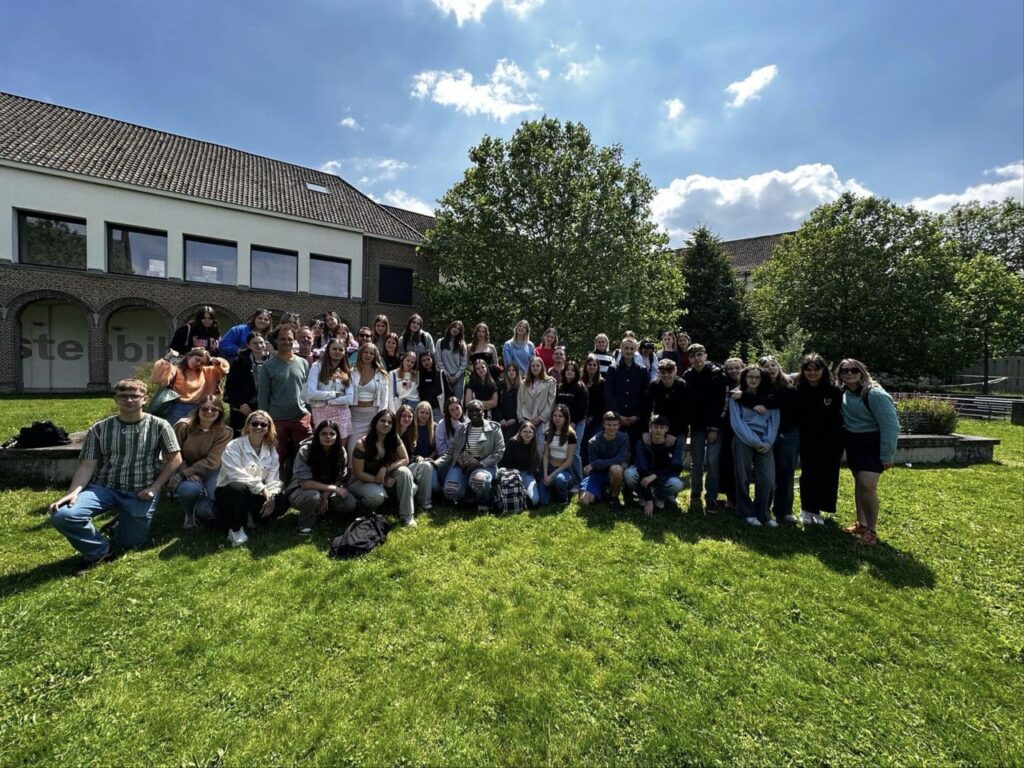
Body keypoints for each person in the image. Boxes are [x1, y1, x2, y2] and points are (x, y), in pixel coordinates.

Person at [49, 379, 182, 574]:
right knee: (63, 515)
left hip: (141, 490)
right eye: (123, 396)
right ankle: (99, 551)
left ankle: (120, 524)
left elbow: (175, 459)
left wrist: (155, 488)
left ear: (144, 399)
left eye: (134, 396)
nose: (129, 400)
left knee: (131, 543)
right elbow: (87, 465)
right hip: (105, 487)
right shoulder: (100, 428)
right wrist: (73, 492)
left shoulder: (159, 425)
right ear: (116, 399)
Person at [838, 358, 900, 546]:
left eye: (854, 370)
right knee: (860, 483)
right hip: (854, 443)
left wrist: (887, 455)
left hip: (872, 443)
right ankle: (861, 524)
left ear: (862, 372)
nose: (849, 373)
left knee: (867, 486)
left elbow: (891, 426)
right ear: (839, 374)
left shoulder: (874, 394)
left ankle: (871, 531)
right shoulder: (844, 393)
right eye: (845, 370)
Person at [215, 410, 288, 545]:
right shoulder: (234, 446)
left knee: (282, 498)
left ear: (268, 428)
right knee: (237, 488)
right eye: (254, 424)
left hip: (256, 493)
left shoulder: (271, 450)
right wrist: (262, 489)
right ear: (247, 426)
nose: (259, 427)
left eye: (263, 424)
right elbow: (235, 473)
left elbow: (273, 478)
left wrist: (270, 496)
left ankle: (253, 519)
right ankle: (235, 528)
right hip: (231, 493)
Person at [793, 354, 844, 526]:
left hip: (830, 440)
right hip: (807, 439)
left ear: (823, 370)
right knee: (809, 474)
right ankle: (806, 509)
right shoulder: (797, 389)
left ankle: (818, 510)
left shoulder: (834, 391)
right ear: (803, 371)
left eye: (816, 369)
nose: (812, 372)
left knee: (828, 475)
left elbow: (838, 417)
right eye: (808, 369)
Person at [168, 394, 232, 529]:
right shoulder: (183, 427)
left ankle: (202, 511)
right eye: (205, 409)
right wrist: (184, 472)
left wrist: (188, 472)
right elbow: (174, 453)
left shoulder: (225, 432)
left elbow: (213, 461)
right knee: (189, 490)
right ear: (198, 410)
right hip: (183, 468)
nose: (209, 412)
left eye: (214, 409)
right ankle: (189, 513)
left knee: (214, 496)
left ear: (220, 412)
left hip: (210, 471)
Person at [258, 327, 311, 483]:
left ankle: (298, 484)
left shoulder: (303, 363)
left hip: (300, 416)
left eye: (289, 338)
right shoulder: (268, 366)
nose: (286, 342)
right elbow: (263, 396)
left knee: (303, 454)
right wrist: (264, 420)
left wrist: (308, 413)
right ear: (276, 341)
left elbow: (307, 392)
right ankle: (276, 487)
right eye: (282, 339)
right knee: (276, 456)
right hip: (277, 419)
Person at [729, 366, 781, 527]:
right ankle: (746, 512)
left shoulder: (770, 398)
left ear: (762, 379)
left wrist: (767, 442)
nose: (753, 380)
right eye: (750, 377)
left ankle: (763, 513)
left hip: (766, 442)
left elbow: (774, 422)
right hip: (743, 440)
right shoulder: (736, 397)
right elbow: (737, 423)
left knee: (767, 480)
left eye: (757, 377)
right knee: (742, 477)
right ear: (744, 378)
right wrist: (755, 442)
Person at [432, 399, 506, 512]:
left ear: (483, 412)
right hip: (463, 464)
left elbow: (499, 452)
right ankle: (468, 498)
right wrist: (437, 463)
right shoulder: (461, 428)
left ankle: (484, 502)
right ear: (467, 413)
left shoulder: (494, 428)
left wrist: (479, 464)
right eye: (471, 411)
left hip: (485, 466)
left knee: (479, 480)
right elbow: (451, 451)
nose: (474, 414)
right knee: (450, 490)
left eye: (477, 410)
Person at [286, 420, 357, 535]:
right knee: (313, 497)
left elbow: (339, 478)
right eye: (323, 433)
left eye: (332, 434)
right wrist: (332, 489)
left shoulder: (340, 451)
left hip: (327, 490)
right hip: (302, 490)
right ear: (317, 435)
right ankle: (306, 525)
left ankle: (324, 514)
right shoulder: (305, 450)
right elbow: (305, 483)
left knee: (349, 502)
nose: (328, 437)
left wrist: (326, 494)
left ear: (337, 436)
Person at [349, 410, 417, 526]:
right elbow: (358, 473)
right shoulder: (362, 443)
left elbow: (405, 459)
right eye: (383, 421)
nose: (386, 424)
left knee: (405, 473)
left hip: (384, 477)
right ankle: (361, 510)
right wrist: (381, 481)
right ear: (375, 422)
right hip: (362, 481)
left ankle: (407, 517)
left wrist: (386, 467)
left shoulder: (394, 438)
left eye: (390, 422)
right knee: (377, 496)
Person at [682, 343, 727, 513]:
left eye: (699, 354)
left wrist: (714, 428)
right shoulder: (687, 375)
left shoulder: (717, 374)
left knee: (713, 462)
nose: (696, 358)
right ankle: (695, 494)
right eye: (693, 356)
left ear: (705, 355)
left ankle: (711, 497)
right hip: (697, 426)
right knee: (697, 462)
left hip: (715, 427)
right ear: (689, 359)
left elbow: (723, 402)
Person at [625, 414, 685, 517]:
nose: (658, 430)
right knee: (629, 473)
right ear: (650, 427)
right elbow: (642, 468)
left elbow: (676, 467)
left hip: (661, 476)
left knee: (677, 484)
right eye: (655, 427)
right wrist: (648, 500)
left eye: (662, 428)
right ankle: (643, 496)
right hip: (645, 475)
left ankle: (659, 497)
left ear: (667, 429)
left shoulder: (675, 443)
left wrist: (655, 475)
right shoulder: (642, 442)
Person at [152, 346, 230, 425]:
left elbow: (223, 370)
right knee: (175, 433)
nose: (199, 363)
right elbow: (158, 379)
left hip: (198, 409)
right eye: (197, 359)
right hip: (177, 408)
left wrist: (217, 361)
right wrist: (167, 358)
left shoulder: (205, 372)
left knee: (193, 435)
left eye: (202, 363)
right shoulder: (176, 370)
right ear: (189, 356)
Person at [348, 342, 392, 460]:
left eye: (371, 353)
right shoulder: (352, 372)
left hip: (373, 416)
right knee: (353, 448)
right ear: (361, 354)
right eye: (365, 352)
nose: (368, 355)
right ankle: (352, 475)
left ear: (375, 356)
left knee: (371, 448)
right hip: (354, 416)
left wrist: (381, 419)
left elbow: (385, 399)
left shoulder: (382, 375)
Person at [578, 411, 630, 510]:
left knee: (617, 469)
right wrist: (594, 465)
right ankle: (601, 491)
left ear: (619, 425)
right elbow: (595, 467)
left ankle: (614, 497)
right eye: (608, 425)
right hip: (597, 474)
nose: (612, 428)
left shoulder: (623, 438)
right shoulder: (593, 442)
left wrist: (595, 464)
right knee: (584, 502)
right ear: (603, 425)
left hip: (612, 473)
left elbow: (619, 459)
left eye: (615, 425)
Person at [604, 336, 648, 446]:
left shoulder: (642, 370)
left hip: (636, 418)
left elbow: (645, 395)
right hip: (617, 419)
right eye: (626, 348)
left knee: (635, 451)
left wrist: (637, 415)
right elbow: (608, 393)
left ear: (636, 350)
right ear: (621, 349)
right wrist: (617, 415)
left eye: (632, 349)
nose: (629, 351)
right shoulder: (613, 369)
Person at [306, 339, 353, 439]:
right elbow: (311, 393)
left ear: (345, 352)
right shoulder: (317, 366)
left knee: (340, 447)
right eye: (334, 349)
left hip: (342, 413)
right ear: (328, 350)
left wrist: (329, 401)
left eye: (341, 350)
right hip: (320, 412)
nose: (337, 352)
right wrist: (334, 394)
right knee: (323, 445)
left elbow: (349, 398)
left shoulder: (346, 371)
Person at [223, 332, 269, 434]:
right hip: (241, 408)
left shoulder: (271, 362)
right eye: (255, 343)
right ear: (248, 345)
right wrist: (241, 405)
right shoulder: (239, 362)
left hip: (264, 406)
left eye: (261, 343)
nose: (259, 346)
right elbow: (231, 386)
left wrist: (252, 405)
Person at [718, 357, 745, 513]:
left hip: (747, 430)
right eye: (731, 368)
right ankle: (731, 497)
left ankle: (742, 497)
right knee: (728, 463)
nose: (734, 371)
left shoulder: (750, 382)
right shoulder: (724, 384)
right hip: (727, 429)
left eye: (737, 367)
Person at [501, 420, 543, 507]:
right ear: (520, 432)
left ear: (534, 434)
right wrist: (516, 473)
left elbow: (536, 466)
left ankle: (525, 497)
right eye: (525, 431)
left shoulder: (534, 446)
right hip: (512, 473)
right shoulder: (512, 442)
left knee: (535, 500)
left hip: (527, 474)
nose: (527, 434)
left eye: (530, 432)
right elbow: (506, 461)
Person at [542, 404, 579, 503]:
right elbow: (545, 456)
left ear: (566, 418)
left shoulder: (571, 435)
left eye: (560, 416)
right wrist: (545, 475)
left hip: (564, 470)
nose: (557, 418)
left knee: (559, 480)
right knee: (543, 501)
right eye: (555, 415)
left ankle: (563, 497)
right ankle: (552, 491)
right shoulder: (548, 433)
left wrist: (551, 476)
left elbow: (570, 460)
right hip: (549, 467)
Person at [645, 359, 689, 440]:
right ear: (659, 373)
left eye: (669, 372)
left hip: (678, 428)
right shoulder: (654, 385)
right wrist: (645, 430)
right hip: (660, 426)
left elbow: (685, 412)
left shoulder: (682, 386)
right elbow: (646, 408)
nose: (666, 375)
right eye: (663, 373)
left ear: (675, 372)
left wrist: (673, 433)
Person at [518, 356, 557, 448]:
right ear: (530, 368)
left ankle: (540, 463)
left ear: (542, 367)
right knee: (524, 447)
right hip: (526, 418)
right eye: (533, 366)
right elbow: (519, 401)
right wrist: (521, 419)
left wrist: (541, 418)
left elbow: (551, 402)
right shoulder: (524, 383)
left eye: (537, 366)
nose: (535, 368)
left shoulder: (550, 382)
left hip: (541, 419)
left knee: (540, 448)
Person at [406, 402, 438, 511]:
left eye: (427, 413)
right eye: (421, 412)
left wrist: (429, 457)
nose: (424, 416)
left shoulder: (434, 427)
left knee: (434, 486)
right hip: (414, 462)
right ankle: (424, 502)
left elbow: (436, 449)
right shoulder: (411, 427)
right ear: (417, 413)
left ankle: (420, 493)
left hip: (429, 460)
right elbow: (407, 450)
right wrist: (416, 457)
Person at [580, 355, 606, 465]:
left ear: (598, 367)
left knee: (593, 443)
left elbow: (603, 403)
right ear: (585, 366)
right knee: (581, 443)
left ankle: (592, 466)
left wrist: (592, 417)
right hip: (581, 418)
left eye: (594, 365)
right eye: (589, 364)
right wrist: (584, 416)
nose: (592, 367)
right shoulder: (580, 382)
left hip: (597, 419)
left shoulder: (602, 383)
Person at [437, 320, 468, 402]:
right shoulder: (440, 342)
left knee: (457, 400)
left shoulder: (462, 345)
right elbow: (439, 360)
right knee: (445, 400)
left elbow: (464, 363)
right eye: (454, 327)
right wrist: (447, 375)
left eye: (458, 329)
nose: (455, 330)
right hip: (444, 375)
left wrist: (456, 376)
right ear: (450, 327)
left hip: (458, 377)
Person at [495, 363, 522, 442]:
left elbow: (523, 406)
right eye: (509, 370)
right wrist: (500, 419)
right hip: (501, 421)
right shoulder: (500, 385)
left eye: (513, 370)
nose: (511, 372)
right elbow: (496, 404)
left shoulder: (521, 387)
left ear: (517, 372)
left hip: (515, 420)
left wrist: (515, 419)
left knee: (510, 441)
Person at [417, 351, 447, 419]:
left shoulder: (440, 374)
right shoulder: (418, 376)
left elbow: (447, 391)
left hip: (438, 408)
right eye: (423, 360)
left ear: (433, 360)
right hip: (423, 410)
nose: (426, 362)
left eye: (428, 359)